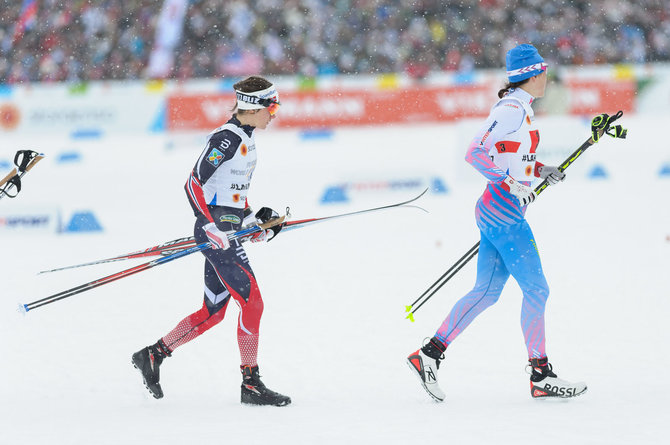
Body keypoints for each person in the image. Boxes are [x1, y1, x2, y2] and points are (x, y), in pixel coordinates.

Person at [407, 44, 587, 401]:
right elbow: (475, 151)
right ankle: (540, 374)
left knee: (487, 292)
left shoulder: (522, 109)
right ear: (532, 75)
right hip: (503, 212)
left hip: (499, 210)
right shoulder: (510, 109)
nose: (547, 78)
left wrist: (539, 171)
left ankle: (428, 354)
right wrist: (512, 184)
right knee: (537, 290)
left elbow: (509, 157)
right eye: (544, 72)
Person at [132, 75, 291, 406]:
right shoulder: (226, 140)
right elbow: (193, 184)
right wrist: (209, 226)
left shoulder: (246, 140)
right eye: (272, 106)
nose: (274, 114)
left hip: (226, 231)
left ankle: (153, 354)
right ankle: (250, 383)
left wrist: (257, 224)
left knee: (213, 312)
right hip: (215, 234)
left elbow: (231, 201)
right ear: (253, 107)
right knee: (253, 303)